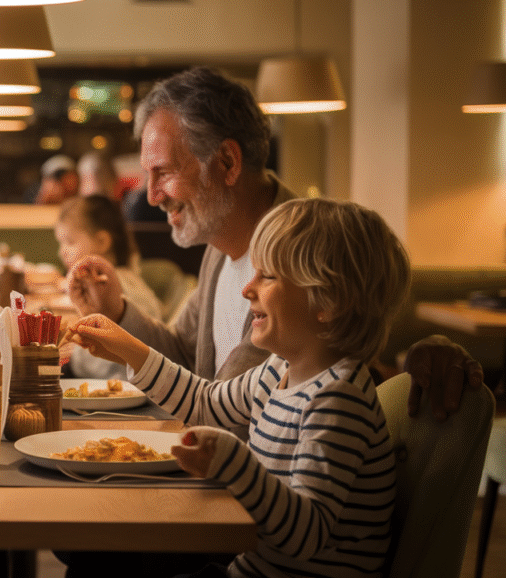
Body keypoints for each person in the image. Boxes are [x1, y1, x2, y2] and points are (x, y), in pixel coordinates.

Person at [66, 66, 482, 421]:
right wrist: (116, 312)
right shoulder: (221, 247)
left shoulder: (311, 252)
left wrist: (435, 350)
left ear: (227, 163)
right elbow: (185, 354)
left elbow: (372, 356)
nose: (152, 196)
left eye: (164, 172)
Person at [63, 198, 407, 578]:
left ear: (329, 300)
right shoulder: (278, 370)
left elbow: (305, 536)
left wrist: (235, 462)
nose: (248, 289)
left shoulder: (338, 399)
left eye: (268, 276)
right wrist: (128, 346)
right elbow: (205, 401)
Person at [54, 194, 163, 379]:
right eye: (61, 243)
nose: (61, 251)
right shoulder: (120, 279)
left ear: (103, 242)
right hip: (90, 373)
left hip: (111, 382)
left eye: (70, 242)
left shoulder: (114, 287)